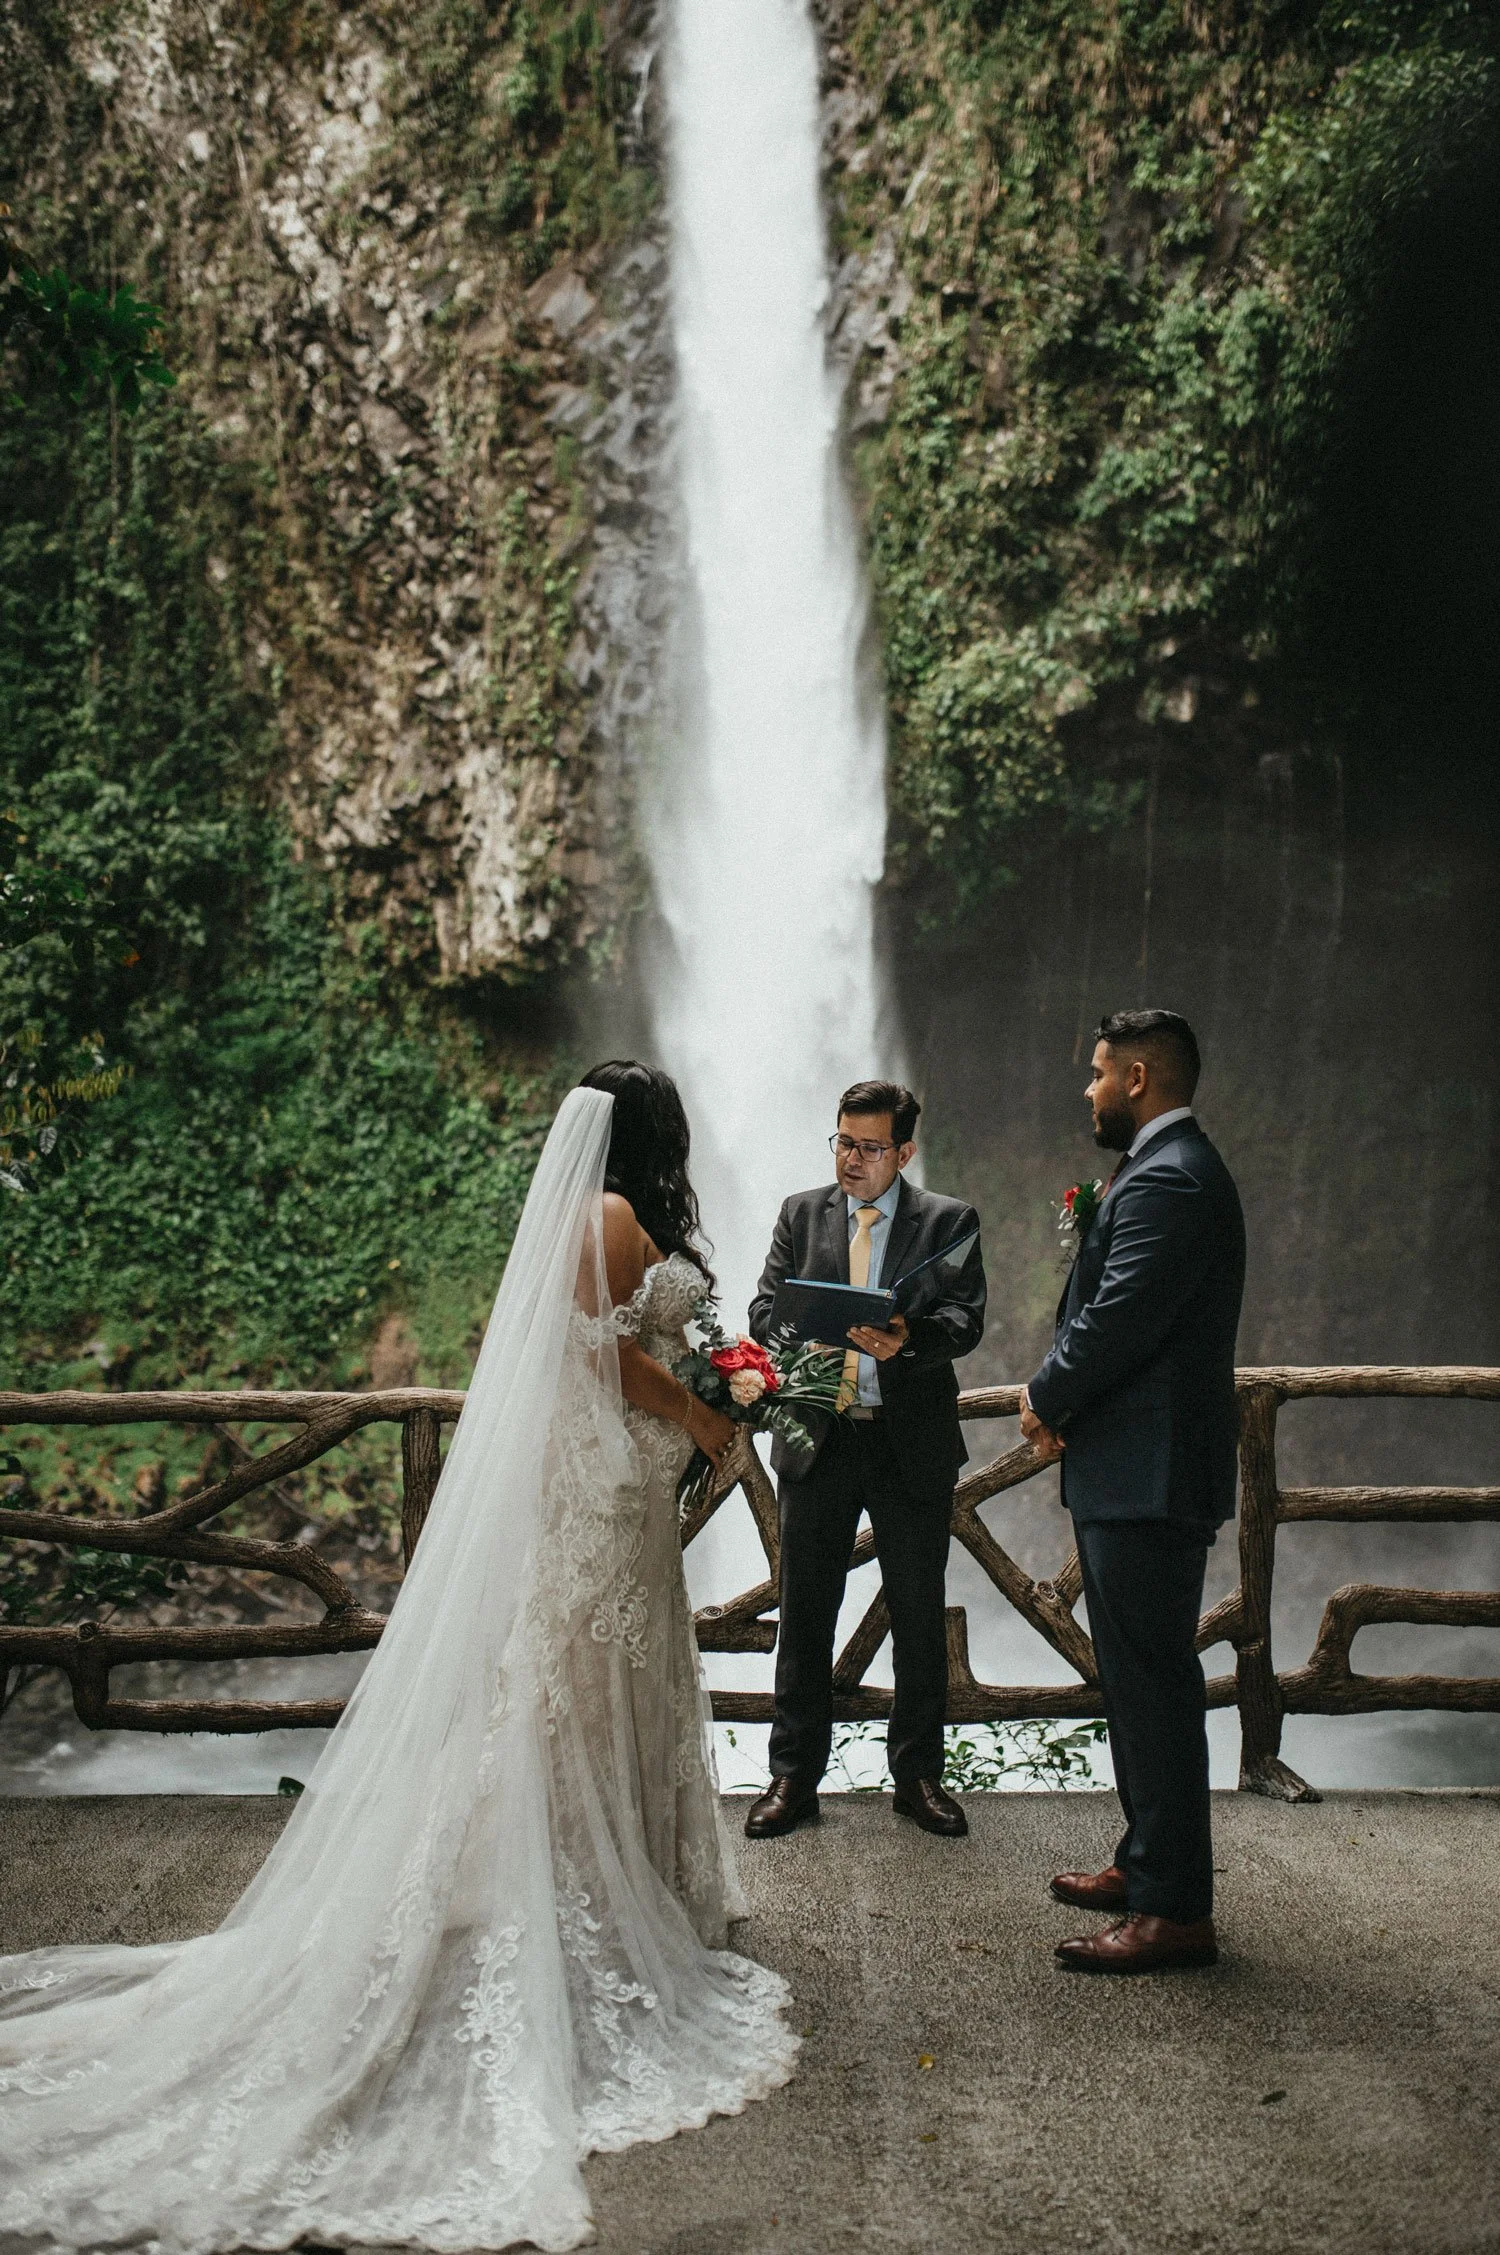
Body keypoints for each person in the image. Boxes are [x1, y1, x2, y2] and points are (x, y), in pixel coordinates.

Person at [0, 1065, 797, 2254]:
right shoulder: (615, 1217)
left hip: (605, 1480)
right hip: (612, 1475)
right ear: (654, 1134)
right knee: (582, 1681)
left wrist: (711, 1385)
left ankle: (614, 1868)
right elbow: (601, 1353)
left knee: (585, 1676)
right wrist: (699, 1410)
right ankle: (593, 1878)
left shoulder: (594, 1214)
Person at [1020, 1009, 1245, 1973]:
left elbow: (1120, 1319)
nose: (1091, 1089)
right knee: (1139, 1680)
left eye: (1101, 1073)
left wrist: (1045, 1394)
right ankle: (1144, 1860)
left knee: (1154, 1683)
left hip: (1150, 1475)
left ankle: (1172, 1912)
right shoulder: (1164, 1171)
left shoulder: (1171, 1179)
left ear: (1142, 1079)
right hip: (1135, 1467)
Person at [744, 1079, 986, 1840]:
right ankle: (793, 1775)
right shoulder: (799, 1211)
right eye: (843, 1142)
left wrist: (906, 1339)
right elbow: (760, 1311)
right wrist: (802, 1330)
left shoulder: (949, 1219)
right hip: (821, 1434)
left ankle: (917, 1777)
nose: (852, 1159)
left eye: (869, 1146)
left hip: (906, 1436)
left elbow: (966, 1318)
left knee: (918, 1612)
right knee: (807, 1609)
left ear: (904, 1151)